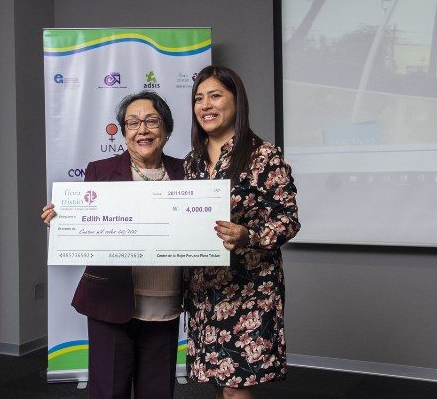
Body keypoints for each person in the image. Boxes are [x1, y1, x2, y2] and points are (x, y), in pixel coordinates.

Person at [41, 91, 184, 399]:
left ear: (167, 128)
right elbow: (89, 228)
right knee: (108, 391)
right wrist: (64, 221)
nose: (142, 130)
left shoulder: (187, 172)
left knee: (158, 392)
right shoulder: (100, 171)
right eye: (132, 122)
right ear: (123, 131)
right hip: (110, 301)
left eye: (151, 121)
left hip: (165, 306)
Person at [183, 66, 300, 399]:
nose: (205, 105)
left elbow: (288, 219)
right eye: (198, 98)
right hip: (205, 288)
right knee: (221, 383)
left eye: (215, 95)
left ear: (237, 101)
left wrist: (248, 235)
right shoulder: (191, 163)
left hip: (249, 288)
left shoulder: (263, 155)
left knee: (237, 388)